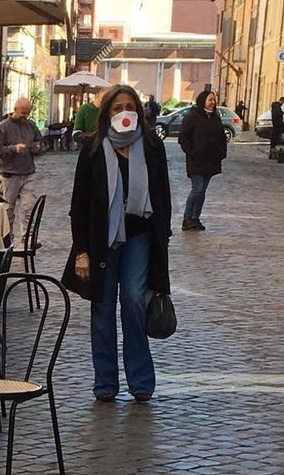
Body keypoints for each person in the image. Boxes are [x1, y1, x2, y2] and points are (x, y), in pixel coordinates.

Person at [63, 84, 171, 405]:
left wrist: (162, 238)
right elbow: (78, 204)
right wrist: (81, 249)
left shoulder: (152, 146)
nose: (124, 112)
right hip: (102, 241)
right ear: (107, 113)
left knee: (135, 300)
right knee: (103, 306)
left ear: (138, 110)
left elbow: (162, 195)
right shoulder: (94, 149)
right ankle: (105, 383)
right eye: (117, 107)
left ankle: (140, 382)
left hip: (140, 237)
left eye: (129, 106)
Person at [0, 96, 43, 246]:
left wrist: (37, 147)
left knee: (28, 207)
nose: (25, 117)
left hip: (28, 172)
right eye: (23, 113)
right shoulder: (3, 127)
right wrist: (13, 149)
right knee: (8, 210)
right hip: (9, 175)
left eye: (28, 113)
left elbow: (39, 141)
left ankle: (27, 240)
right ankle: (7, 240)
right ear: (15, 110)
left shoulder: (31, 125)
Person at [178, 89, 227, 231]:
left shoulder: (215, 117)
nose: (213, 102)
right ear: (203, 101)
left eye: (214, 100)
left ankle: (195, 217)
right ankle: (187, 218)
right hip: (196, 160)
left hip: (211, 161)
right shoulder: (192, 117)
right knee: (197, 188)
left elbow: (221, 137)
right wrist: (192, 152)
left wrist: (222, 153)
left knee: (202, 190)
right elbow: (183, 137)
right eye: (210, 99)